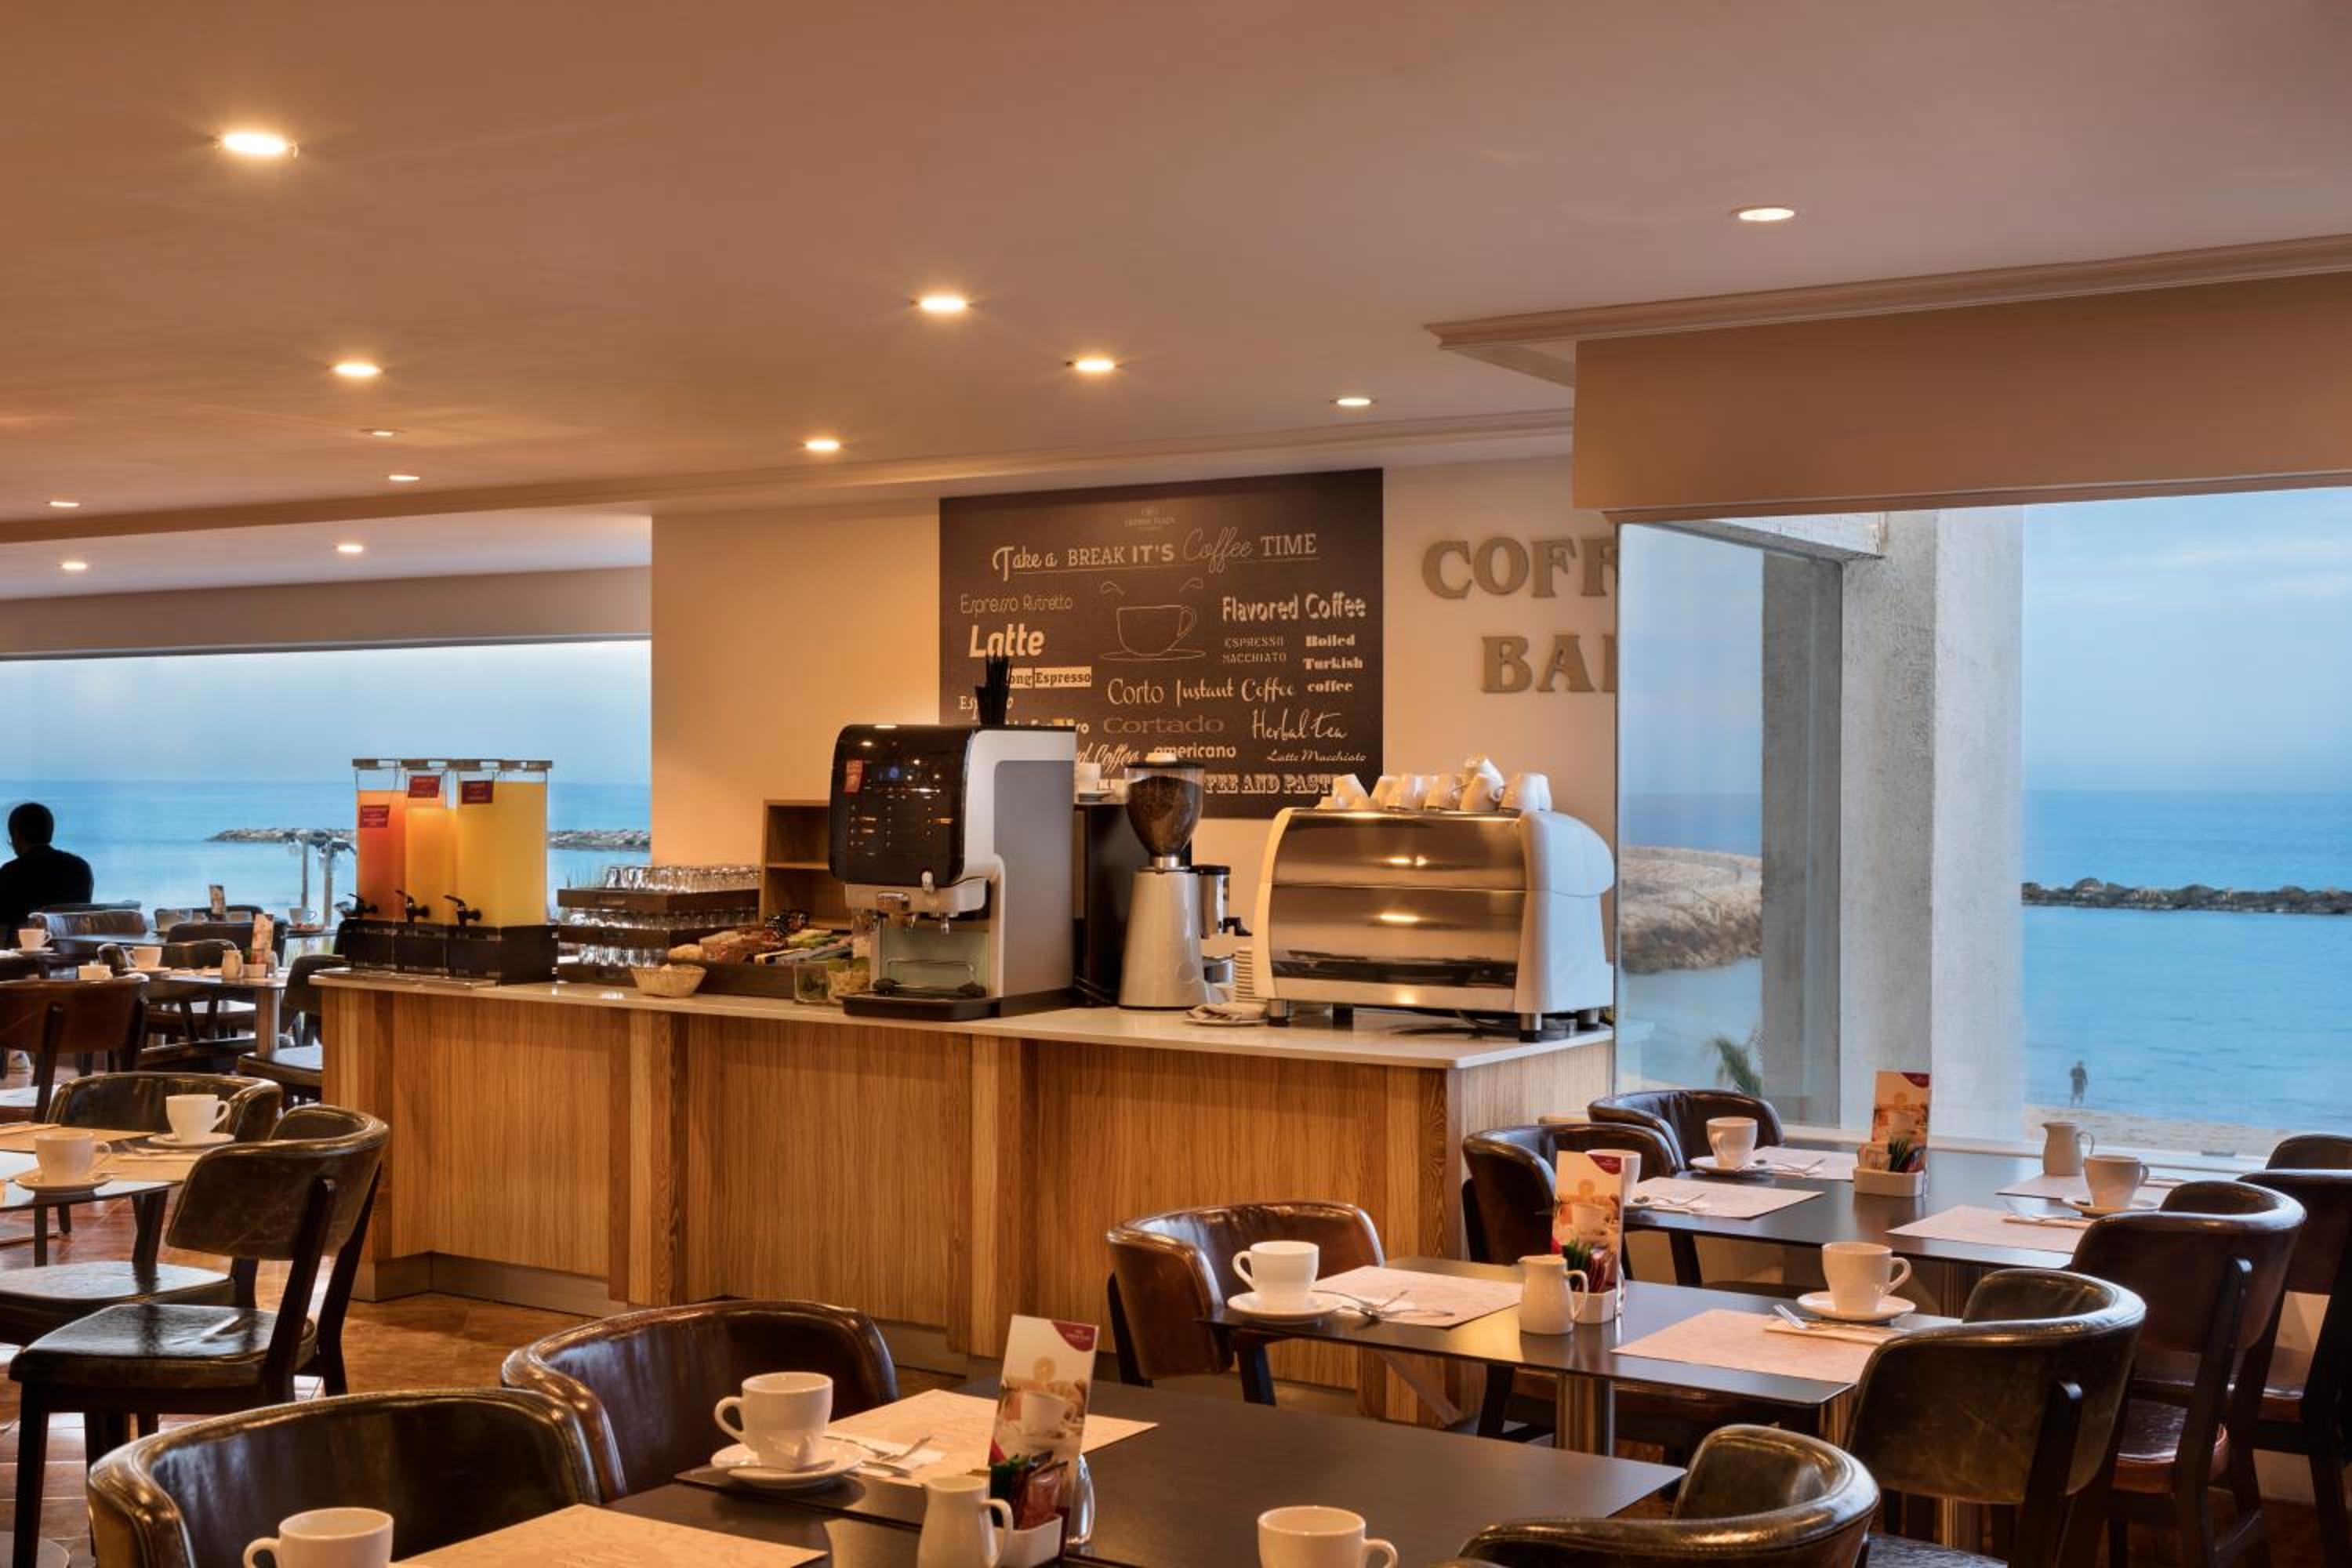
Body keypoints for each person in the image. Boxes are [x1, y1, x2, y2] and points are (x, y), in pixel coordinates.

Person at [0, 803, 95, 931]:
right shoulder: (80, 868)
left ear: (16, 835)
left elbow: (2, 927)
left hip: (26, 944)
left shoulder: (10, 873)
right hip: (73, 943)